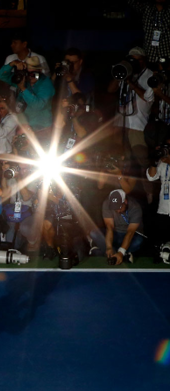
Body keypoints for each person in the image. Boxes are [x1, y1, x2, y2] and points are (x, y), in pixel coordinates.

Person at [107, 47, 155, 203]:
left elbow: (149, 97)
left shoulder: (150, 75)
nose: (133, 63)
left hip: (138, 125)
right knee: (124, 160)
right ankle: (123, 193)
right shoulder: (125, 71)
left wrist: (131, 82)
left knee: (142, 162)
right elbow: (110, 89)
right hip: (122, 124)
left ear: (143, 60)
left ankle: (150, 196)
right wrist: (120, 72)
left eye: (136, 60)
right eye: (131, 59)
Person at [0, 56, 55, 143]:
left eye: (34, 74)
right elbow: (0, 75)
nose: (31, 77)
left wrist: (23, 88)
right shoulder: (24, 80)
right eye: (28, 73)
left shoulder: (46, 83)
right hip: (24, 127)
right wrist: (12, 64)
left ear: (40, 71)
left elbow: (38, 105)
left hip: (41, 130)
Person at [90, 189, 144, 264]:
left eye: (120, 207)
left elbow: (130, 232)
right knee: (94, 233)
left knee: (138, 241)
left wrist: (121, 252)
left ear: (125, 201)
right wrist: (109, 247)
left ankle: (114, 251)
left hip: (130, 235)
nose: (117, 211)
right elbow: (109, 227)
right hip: (115, 234)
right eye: (115, 208)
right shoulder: (106, 203)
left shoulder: (135, 207)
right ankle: (120, 252)